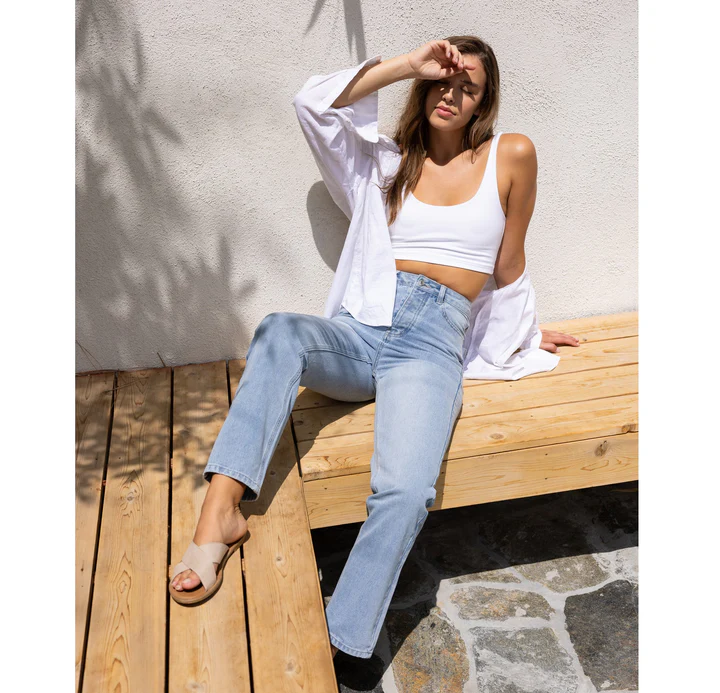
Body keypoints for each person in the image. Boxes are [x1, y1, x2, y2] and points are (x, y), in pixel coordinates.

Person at [169, 36, 580, 661]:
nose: (452, 92)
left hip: (432, 341)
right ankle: (217, 518)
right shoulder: (385, 164)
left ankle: (343, 635)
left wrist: (524, 332)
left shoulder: (511, 154)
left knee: (407, 489)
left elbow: (508, 263)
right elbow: (312, 103)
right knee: (280, 329)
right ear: (424, 83)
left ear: (483, 103)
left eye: (468, 85)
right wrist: (406, 64)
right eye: (442, 77)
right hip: (364, 329)